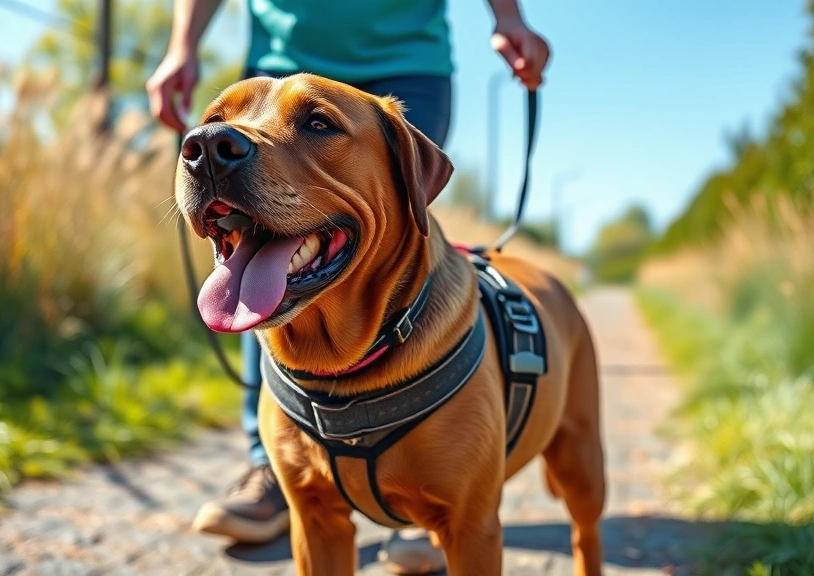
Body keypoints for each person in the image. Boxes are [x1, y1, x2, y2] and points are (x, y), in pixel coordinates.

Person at [146, 0, 549, 572]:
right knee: (268, 249)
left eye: (316, 126)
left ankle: (424, 487)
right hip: (280, 50)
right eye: (215, 128)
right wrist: (182, 43)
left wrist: (508, 17)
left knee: (389, 233)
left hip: (405, 56)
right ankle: (277, 464)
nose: (214, 142)